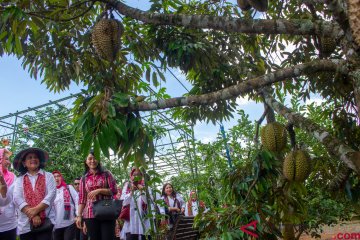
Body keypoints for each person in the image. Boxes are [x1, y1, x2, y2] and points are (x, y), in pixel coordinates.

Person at [13, 147, 56, 240]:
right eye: (30, 157)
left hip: (45, 223)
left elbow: (51, 195)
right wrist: (33, 215)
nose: (33, 159)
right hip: (25, 225)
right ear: (24, 163)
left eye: (35, 157)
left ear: (39, 161)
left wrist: (35, 210)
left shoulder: (48, 176)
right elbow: (17, 197)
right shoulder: (19, 180)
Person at [76, 151, 118, 240]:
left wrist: (100, 190)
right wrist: (79, 216)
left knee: (108, 238)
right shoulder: (84, 178)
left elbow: (114, 190)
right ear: (86, 161)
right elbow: (82, 199)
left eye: (95, 158)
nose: (92, 161)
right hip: (90, 213)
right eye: (90, 158)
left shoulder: (106, 174)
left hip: (107, 211)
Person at [120, 168, 166, 240]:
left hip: (144, 220)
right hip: (131, 221)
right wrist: (131, 193)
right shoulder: (127, 186)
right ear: (131, 176)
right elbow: (123, 202)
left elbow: (148, 201)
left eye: (138, 175)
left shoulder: (146, 186)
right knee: (131, 237)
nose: (136, 177)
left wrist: (142, 191)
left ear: (142, 176)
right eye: (134, 175)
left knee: (145, 236)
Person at [52, 170, 79, 240]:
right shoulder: (51, 191)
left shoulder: (68, 187)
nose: (56, 178)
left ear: (61, 177)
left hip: (69, 222)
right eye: (54, 177)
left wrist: (78, 215)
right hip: (56, 224)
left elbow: (77, 201)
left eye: (58, 176)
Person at [0, 148, 17, 240]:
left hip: (9, 225)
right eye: (6, 159)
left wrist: (3, 184)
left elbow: (12, 198)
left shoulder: (13, 177)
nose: (9, 162)